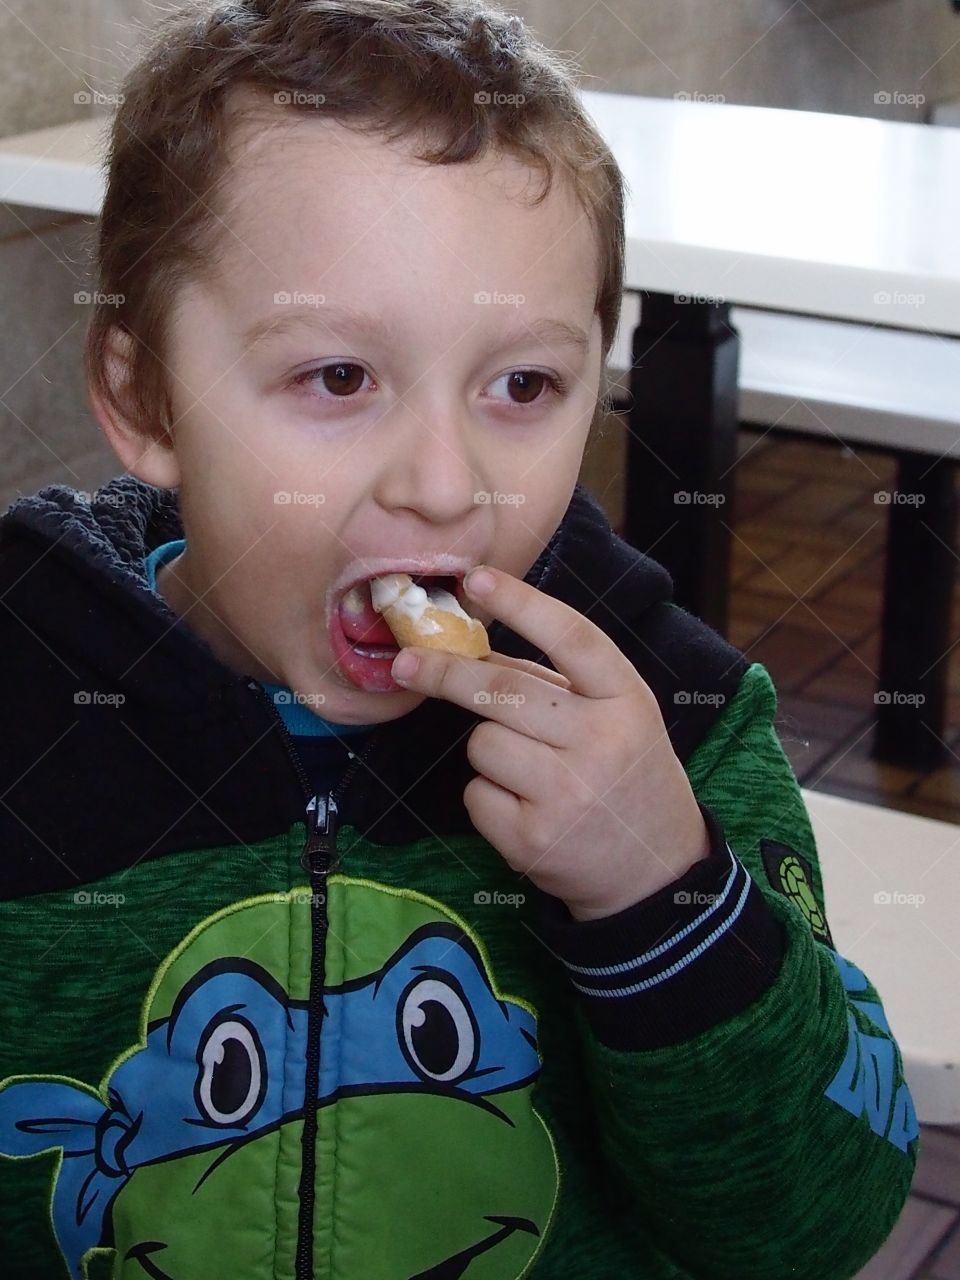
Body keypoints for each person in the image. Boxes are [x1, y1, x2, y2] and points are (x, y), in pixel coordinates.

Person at [0, 1, 918, 1276]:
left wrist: (666, 895)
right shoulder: (24, 697)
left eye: (522, 386)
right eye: (337, 377)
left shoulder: (683, 727)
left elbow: (818, 1216)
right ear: (146, 395)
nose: (445, 482)